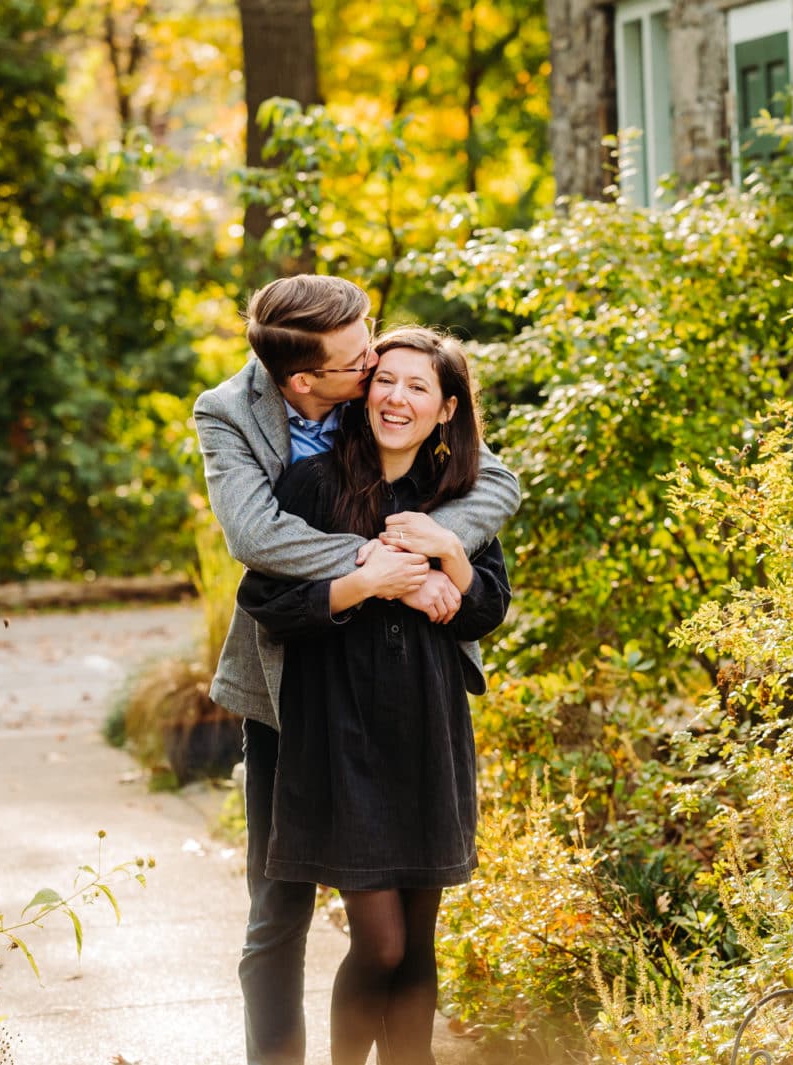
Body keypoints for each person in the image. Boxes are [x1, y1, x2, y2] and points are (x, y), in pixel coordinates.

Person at [193, 276, 520, 1065]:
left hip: (420, 718)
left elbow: (495, 495)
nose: (377, 369)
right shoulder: (241, 420)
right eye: (364, 366)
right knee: (284, 912)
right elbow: (257, 548)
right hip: (303, 704)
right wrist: (379, 568)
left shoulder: (434, 456)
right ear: (306, 381)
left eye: (388, 357)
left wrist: (443, 551)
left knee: (417, 933)